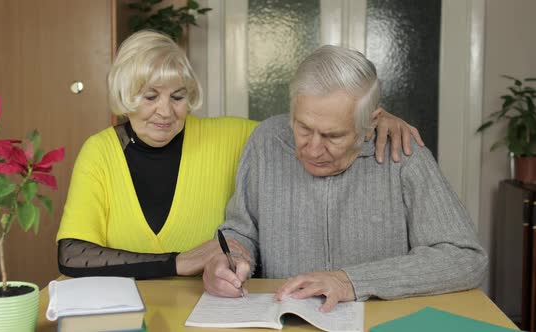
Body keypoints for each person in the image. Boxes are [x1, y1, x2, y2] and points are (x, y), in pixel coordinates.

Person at [55, 30, 424, 280]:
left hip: (210, 314)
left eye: (178, 96)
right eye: (150, 96)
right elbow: (72, 254)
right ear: (125, 95)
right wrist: (178, 262)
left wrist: (372, 117)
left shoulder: (232, 136)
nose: (165, 112)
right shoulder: (99, 152)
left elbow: (312, 124)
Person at [203, 45, 488, 312]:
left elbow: (464, 258)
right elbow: (241, 231)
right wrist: (232, 258)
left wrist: (352, 281)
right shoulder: (265, 141)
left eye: (333, 135)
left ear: (371, 123)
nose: (313, 149)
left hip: (380, 321)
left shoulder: (404, 155)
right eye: (303, 128)